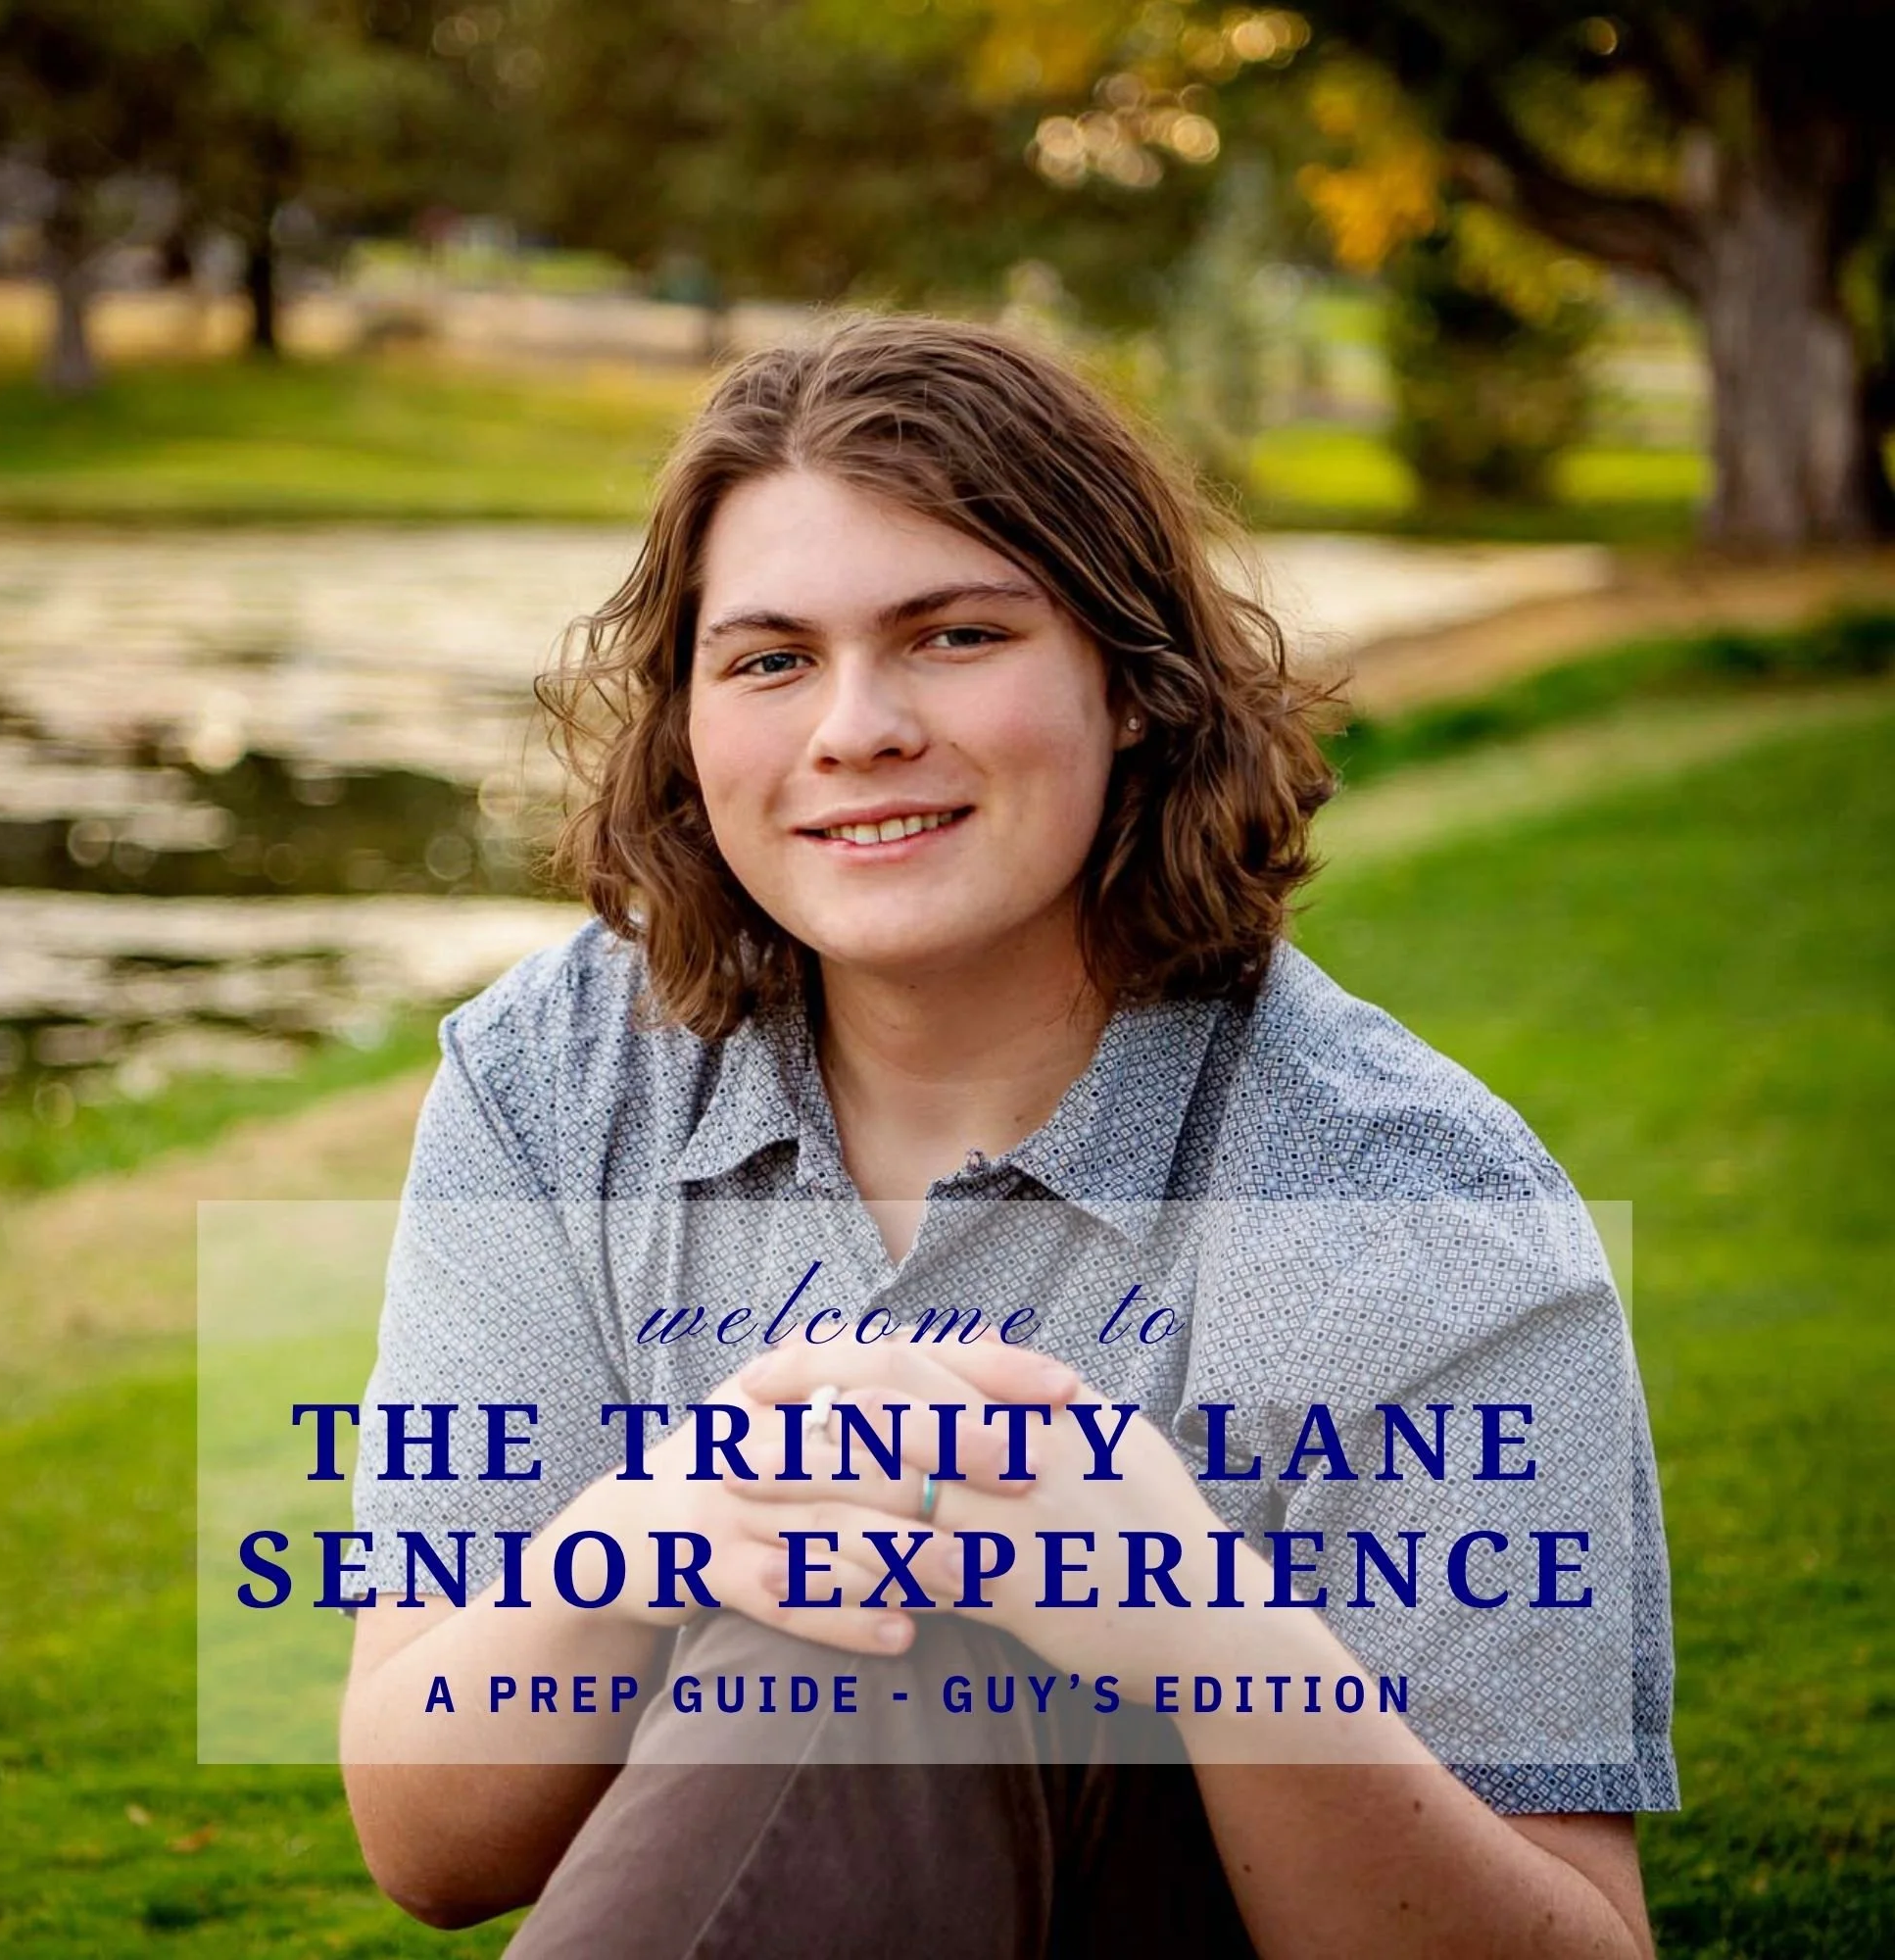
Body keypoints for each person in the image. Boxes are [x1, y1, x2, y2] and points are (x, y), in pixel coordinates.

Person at [338, 311, 1676, 1956]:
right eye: (769, 660)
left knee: (867, 1613)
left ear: (1135, 685)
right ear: (687, 723)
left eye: (956, 635)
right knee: (833, 1584)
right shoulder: (552, 1080)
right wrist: (650, 1533)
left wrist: (1198, 1626)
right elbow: (426, 1839)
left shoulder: (1407, 1194)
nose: (856, 728)